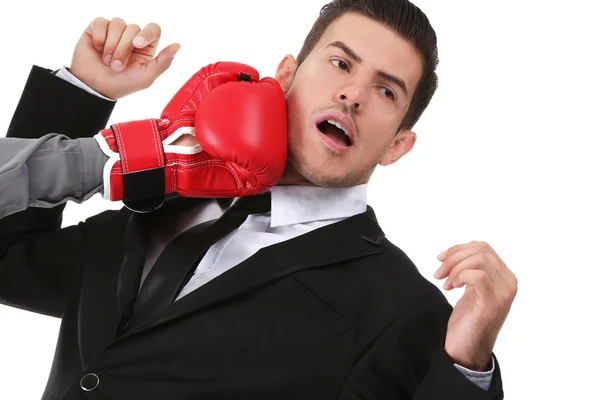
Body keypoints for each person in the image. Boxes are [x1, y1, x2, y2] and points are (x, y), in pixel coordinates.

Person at [0, 1, 517, 398]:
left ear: (398, 145)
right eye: (340, 63)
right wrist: (83, 96)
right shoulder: (164, 199)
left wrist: (469, 365)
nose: (352, 95)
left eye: (386, 92)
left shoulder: (400, 308)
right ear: (287, 75)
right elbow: (8, 262)